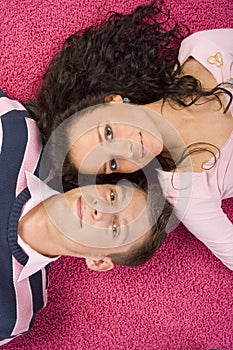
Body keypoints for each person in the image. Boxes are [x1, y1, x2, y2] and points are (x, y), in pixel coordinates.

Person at [23, 1, 233, 270]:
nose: (128, 148)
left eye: (108, 132)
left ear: (114, 101)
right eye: (112, 162)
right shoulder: (187, 193)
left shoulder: (203, 50)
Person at [0, 89, 172, 345]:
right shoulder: (18, 135)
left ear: (99, 261)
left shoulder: (16, 313)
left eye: (115, 228)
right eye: (113, 197)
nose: (100, 209)